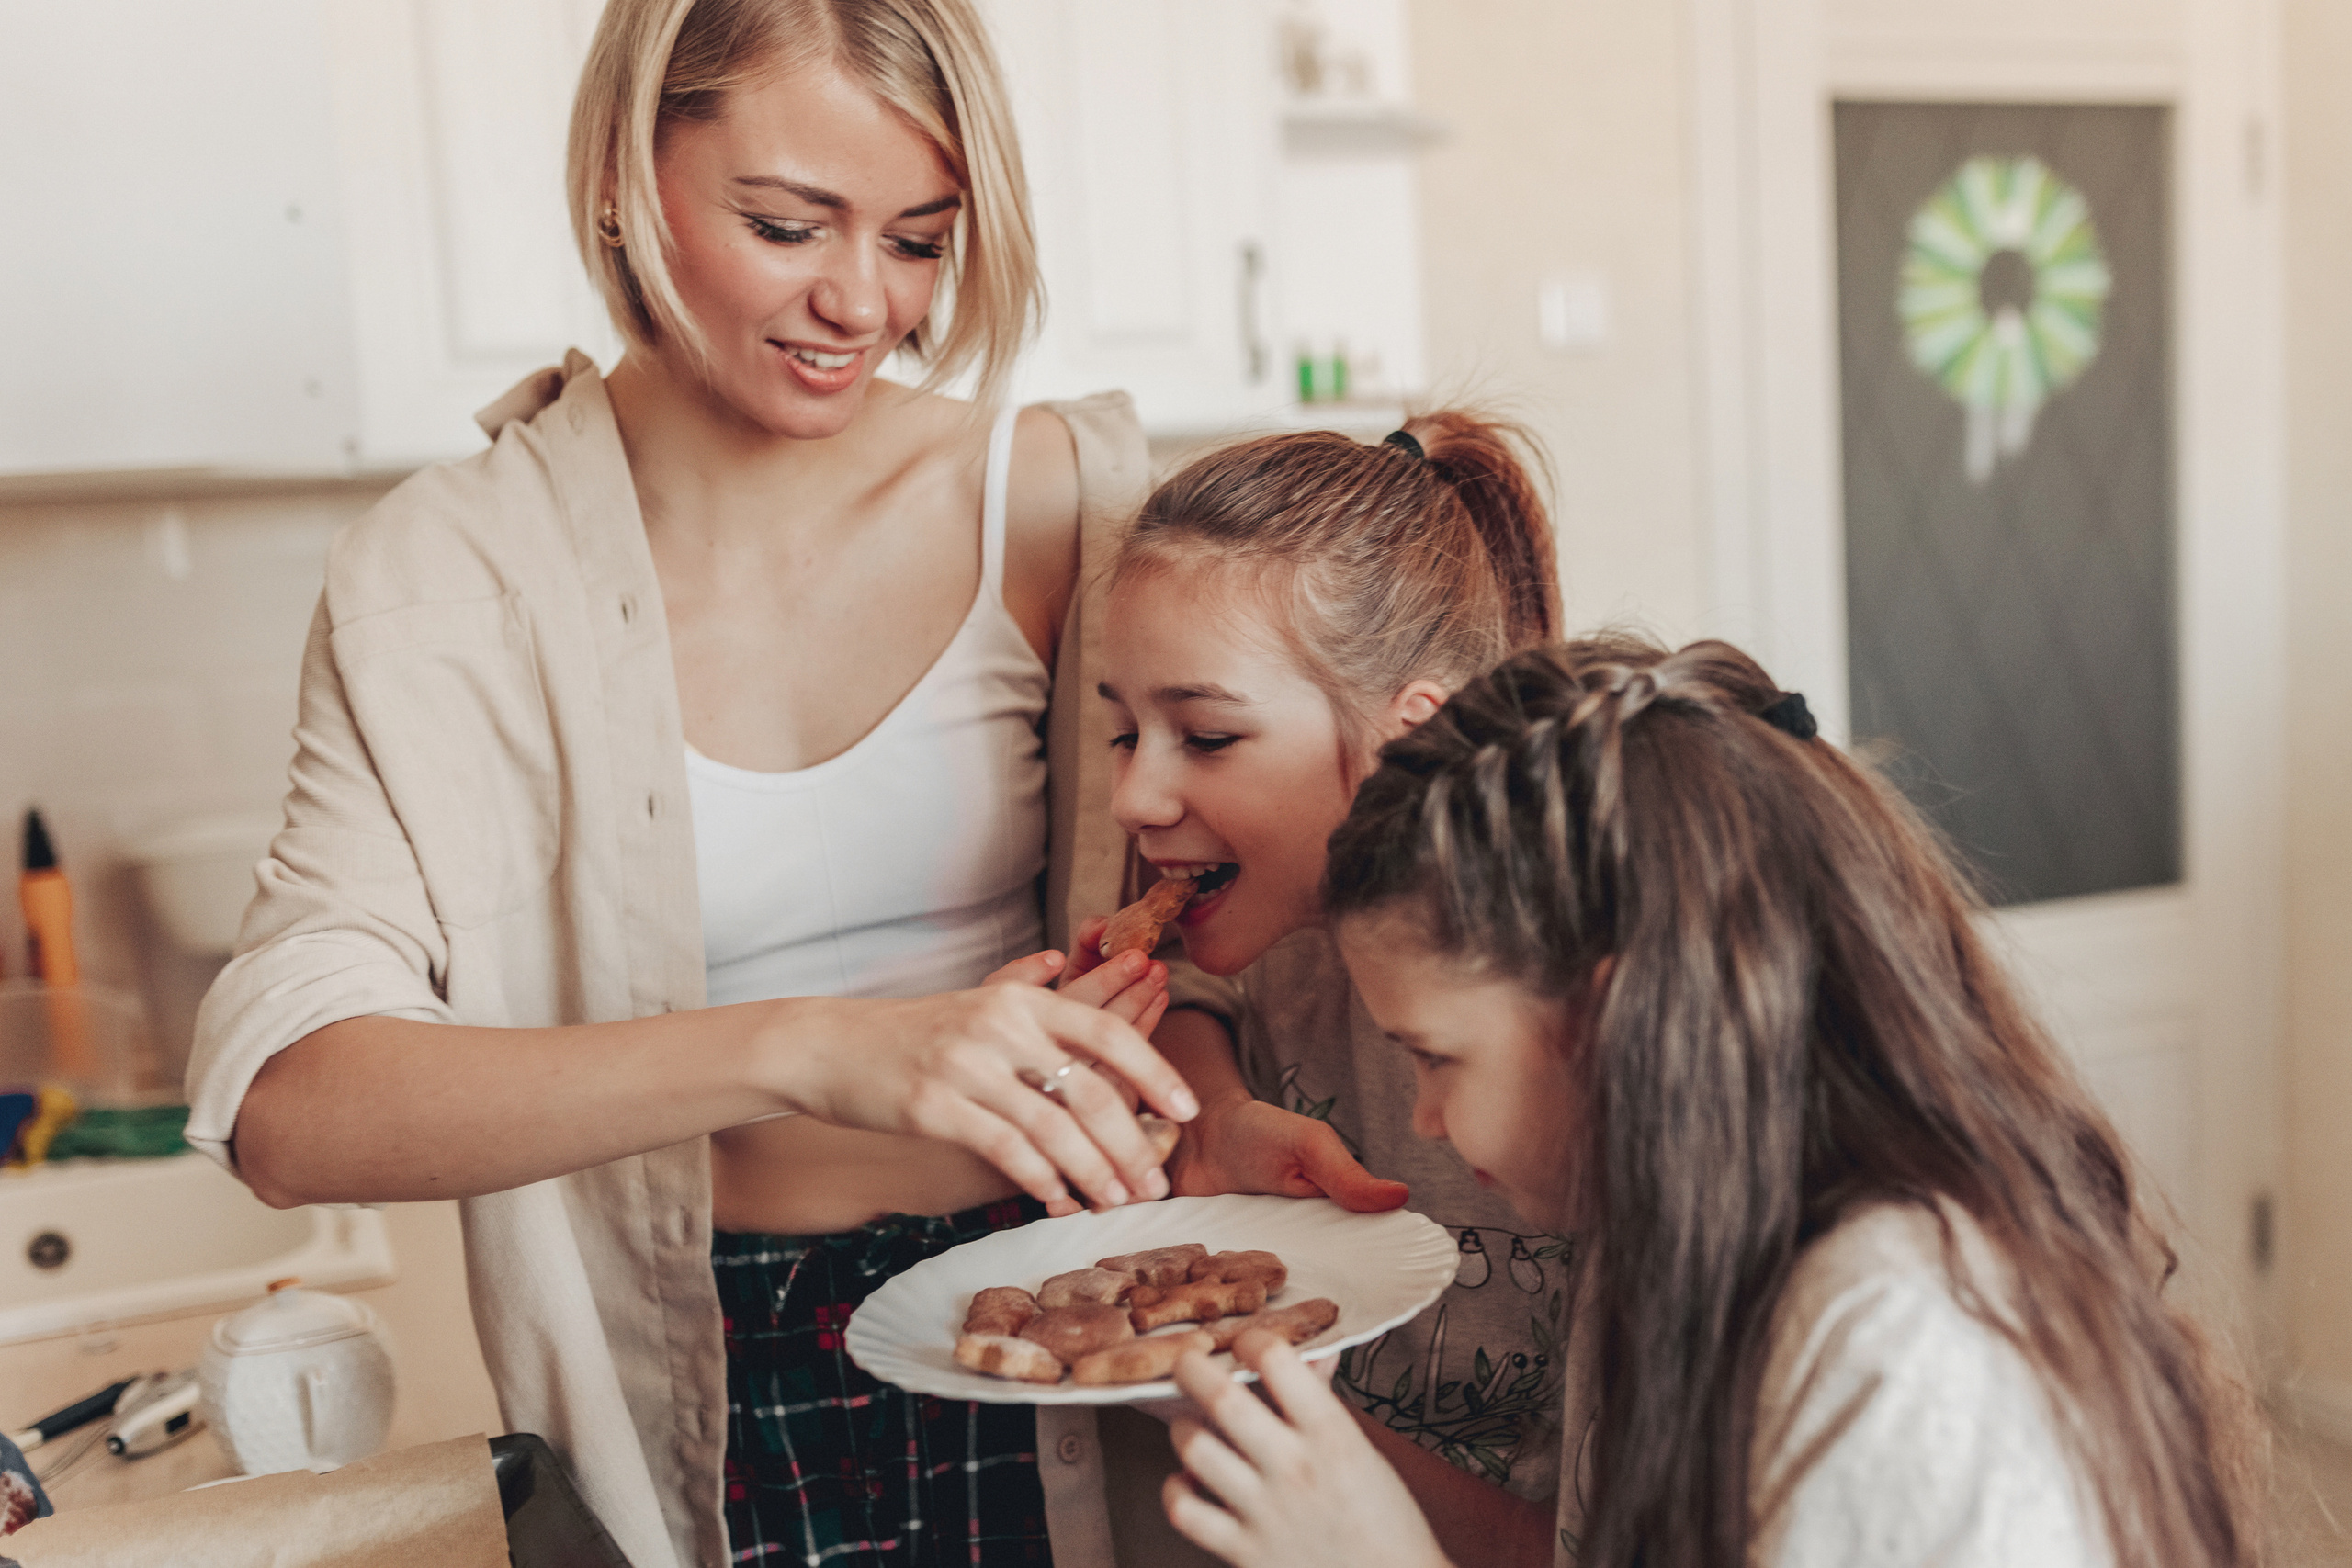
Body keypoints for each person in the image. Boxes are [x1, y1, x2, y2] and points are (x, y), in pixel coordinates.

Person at [179, 3, 1268, 1564]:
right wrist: (817, 1050)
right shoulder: (449, 575)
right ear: (627, 177)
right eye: (785, 224)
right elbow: (291, 1112)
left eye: (918, 239)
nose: (861, 303)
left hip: (1058, 1322)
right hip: (691, 1372)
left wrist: (1213, 1095)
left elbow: (1215, 909)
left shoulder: (1051, 504)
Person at [1159, 636, 2267, 1568]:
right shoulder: (1685, 1247)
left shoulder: (1896, 1345)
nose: (1426, 1119)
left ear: (1609, 1024)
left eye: (1437, 1058)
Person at [1069, 416, 1578, 1563]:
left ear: (1413, 738)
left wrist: (1251, 1408)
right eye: (1122, 731)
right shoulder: (1284, 924)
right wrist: (1209, 1116)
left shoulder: (1576, 1032)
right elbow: (1201, 987)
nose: (1134, 797)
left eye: (1204, 736)